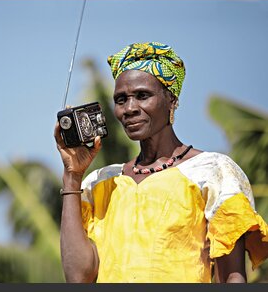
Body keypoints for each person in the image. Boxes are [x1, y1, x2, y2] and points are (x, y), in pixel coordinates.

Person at [54, 41, 268, 283]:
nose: (130, 108)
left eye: (143, 96)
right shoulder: (99, 183)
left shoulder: (212, 171)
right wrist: (72, 175)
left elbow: (233, 277)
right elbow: (77, 277)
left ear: (172, 100)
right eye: (121, 99)